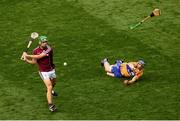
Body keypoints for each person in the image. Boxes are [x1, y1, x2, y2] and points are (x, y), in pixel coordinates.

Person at [22, 35, 58, 112]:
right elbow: (34, 62)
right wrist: (26, 60)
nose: (45, 43)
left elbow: (40, 56)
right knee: (49, 86)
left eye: (46, 42)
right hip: (43, 71)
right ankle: (51, 105)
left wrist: (26, 55)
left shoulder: (49, 48)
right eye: (43, 42)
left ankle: (49, 91)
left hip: (51, 69)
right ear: (40, 42)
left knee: (54, 82)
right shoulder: (35, 51)